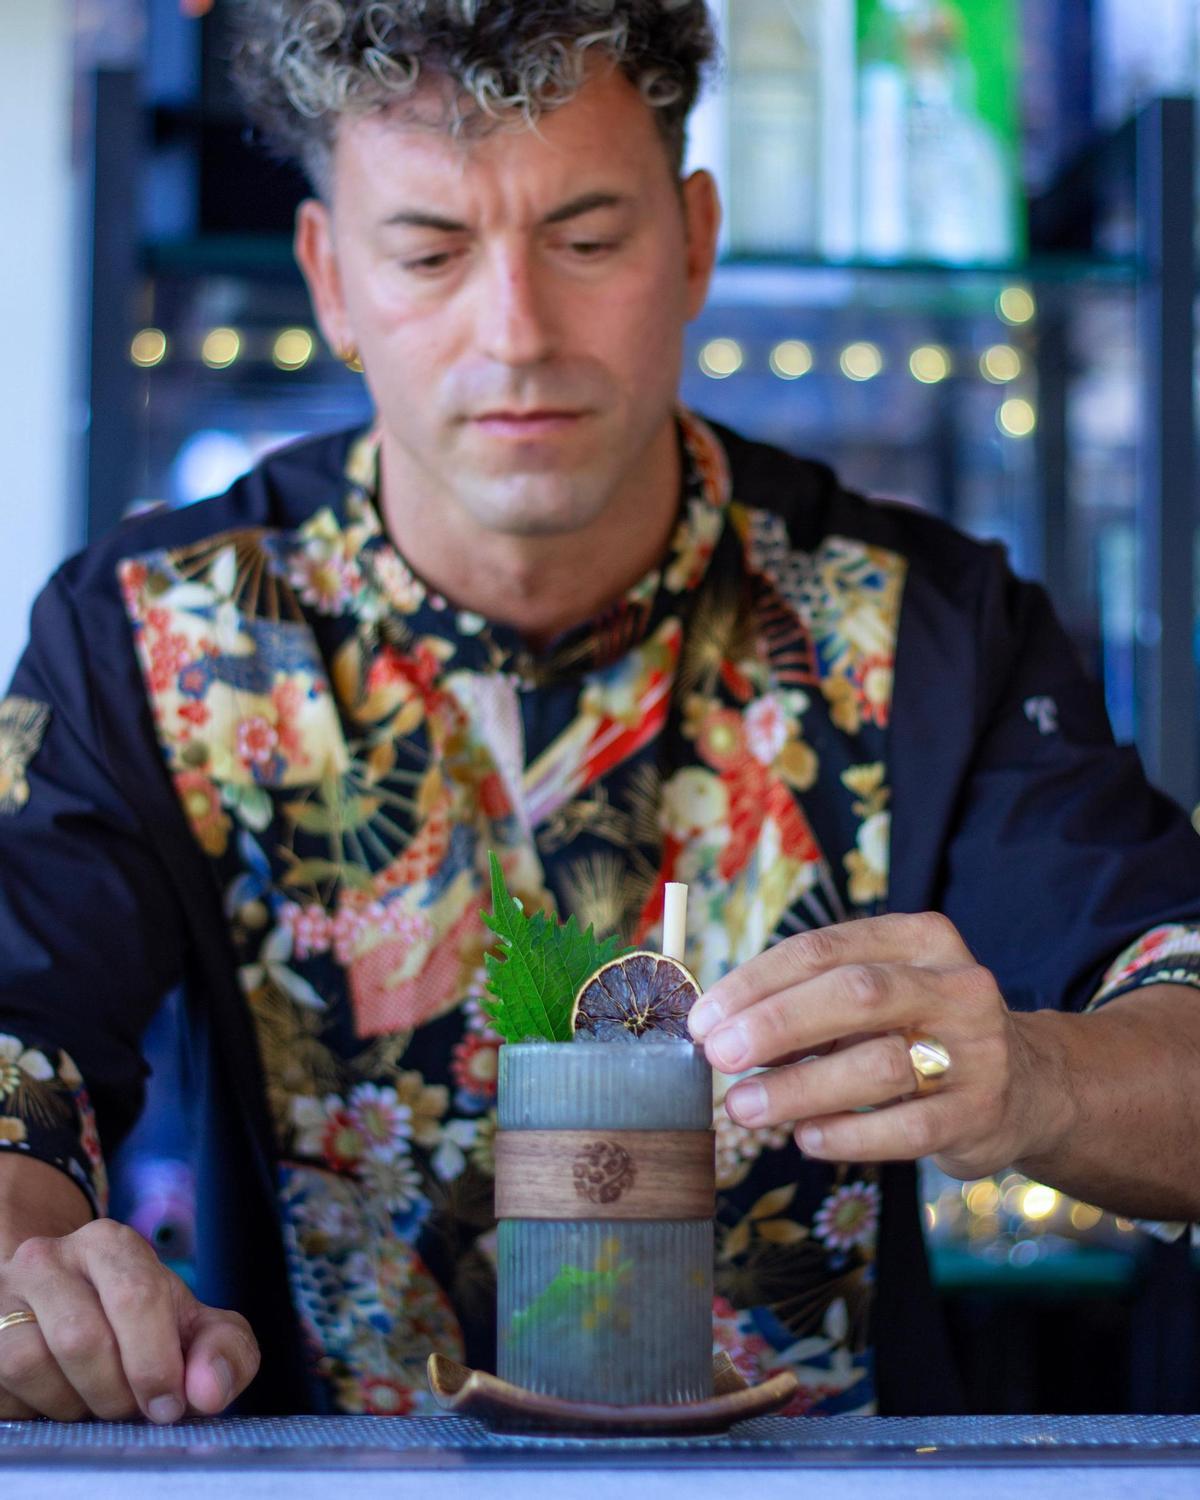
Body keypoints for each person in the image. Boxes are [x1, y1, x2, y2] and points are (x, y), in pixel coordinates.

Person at [1, 0, 1199, 1425]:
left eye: (586, 241)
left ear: (693, 240)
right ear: (329, 274)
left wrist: (1036, 1084)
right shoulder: (158, 632)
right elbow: (23, 1032)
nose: (515, 334)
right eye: (431, 251)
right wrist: (31, 1266)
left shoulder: (920, 625)